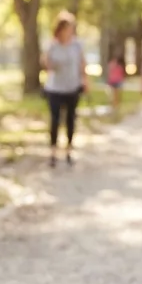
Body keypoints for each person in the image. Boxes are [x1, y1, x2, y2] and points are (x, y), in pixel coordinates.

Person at [41, 11, 87, 167]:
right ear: (59, 29)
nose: (69, 31)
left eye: (71, 28)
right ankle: (53, 152)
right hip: (55, 88)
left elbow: (82, 63)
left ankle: (69, 151)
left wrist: (85, 80)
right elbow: (46, 64)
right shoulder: (52, 44)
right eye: (66, 28)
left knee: (70, 120)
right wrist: (49, 63)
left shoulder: (77, 44)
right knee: (55, 120)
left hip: (72, 87)